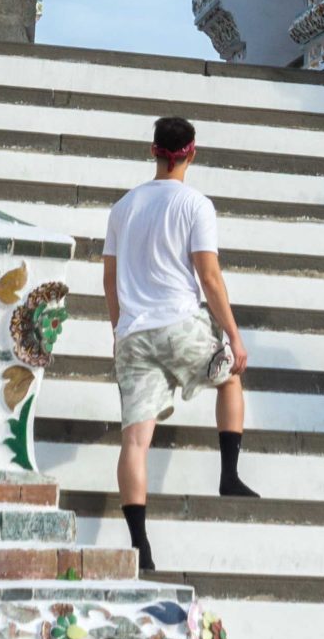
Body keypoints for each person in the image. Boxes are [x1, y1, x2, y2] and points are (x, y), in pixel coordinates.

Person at [103, 114, 255, 575]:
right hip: (178, 323)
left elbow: (109, 279)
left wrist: (119, 330)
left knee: (135, 441)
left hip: (132, 333)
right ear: (192, 151)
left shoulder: (123, 207)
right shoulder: (195, 204)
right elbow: (208, 276)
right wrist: (233, 334)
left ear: (154, 151)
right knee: (230, 374)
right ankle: (228, 475)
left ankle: (140, 546)